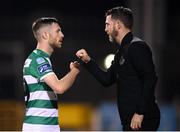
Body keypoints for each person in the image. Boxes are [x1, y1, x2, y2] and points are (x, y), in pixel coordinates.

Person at [76, 6, 160, 130]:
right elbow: (106, 80)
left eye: (107, 24)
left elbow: (150, 78)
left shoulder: (137, 47)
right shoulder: (121, 52)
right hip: (129, 120)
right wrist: (88, 61)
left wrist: (140, 112)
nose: (105, 29)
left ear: (118, 25)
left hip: (142, 119)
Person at [22, 17, 80, 132]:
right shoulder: (38, 59)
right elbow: (59, 87)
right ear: (45, 35)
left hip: (43, 126)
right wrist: (74, 71)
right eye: (58, 31)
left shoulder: (40, 58)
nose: (62, 35)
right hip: (40, 126)